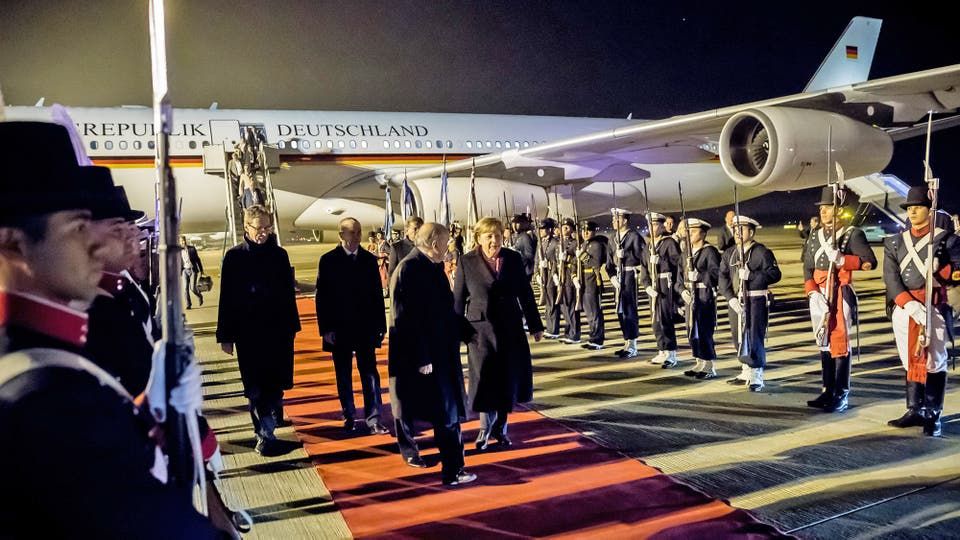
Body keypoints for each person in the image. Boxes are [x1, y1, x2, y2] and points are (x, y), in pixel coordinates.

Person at [0, 121, 225, 537]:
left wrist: (147, 413)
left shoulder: (42, 366)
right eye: (77, 228)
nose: (98, 247)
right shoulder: (49, 402)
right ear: (13, 242)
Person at [388, 222, 477, 485]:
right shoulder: (409, 269)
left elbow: (445, 310)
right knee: (445, 413)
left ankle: (455, 467)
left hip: (443, 353)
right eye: (446, 242)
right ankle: (453, 470)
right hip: (429, 358)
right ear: (435, 243)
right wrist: (422, 356)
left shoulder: (431, 266)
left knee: (448, 413)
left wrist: (469, 332)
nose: (449, 247)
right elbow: (405, 319)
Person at [454, 217, 544, 452]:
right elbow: (458, 300)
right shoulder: (466, 261)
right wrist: (457, 332)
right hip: (479, 331)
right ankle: (485, 428)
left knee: (506, 378)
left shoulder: (513, 258)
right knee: (485, 378)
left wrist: (535, 325)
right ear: (478, 238)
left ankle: (500, 429)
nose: (494, 240)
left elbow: (525, 293)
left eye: (497, 235)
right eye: (489, 236)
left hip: (509, 328)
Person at [217, 205, 301, 455]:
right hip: (249, 334)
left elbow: (288, 296)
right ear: (246, 227)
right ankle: (264, 436)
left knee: (275, 384)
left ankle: (270, 424)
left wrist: (292, 327)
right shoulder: (234, 257)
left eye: (267, 227)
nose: (263, 232)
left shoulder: (279, 255)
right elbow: (226, 298)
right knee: (255, 387)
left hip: (277, 332)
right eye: (258, 228)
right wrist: (225, 336)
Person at [884, 186, 960, 437]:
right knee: (909, 359)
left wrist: (941, 269)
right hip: (906, 308)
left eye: (918, 207)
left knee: (935, 361)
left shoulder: (947, 240)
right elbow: (891, 278)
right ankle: (914, 409)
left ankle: (933, 413)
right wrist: (908, 304)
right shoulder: (895, 242)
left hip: (933, 307)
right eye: (910, 208)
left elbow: (958, 272)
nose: (913, 212)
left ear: (930, 210)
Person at [802, 187, 877, 413]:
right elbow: (807, 266)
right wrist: (812, 291)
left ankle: (841, 393)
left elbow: (869, 262)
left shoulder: (852, 234)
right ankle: (827, 390)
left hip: (840, 292)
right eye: (822, 209)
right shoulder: (814, 235)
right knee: (823, 340)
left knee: (840, 342)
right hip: (819, 292)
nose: (823, 212)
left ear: (840, 210)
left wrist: (843, 260)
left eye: (828, 208)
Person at [315, 217, 390, 434]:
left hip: (365, 327)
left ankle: (373, 418)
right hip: (339, 328)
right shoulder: (328, 260)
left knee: (370, 374)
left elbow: (376, 296)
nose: (356, 236)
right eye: (351, 232)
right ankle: (349, 414)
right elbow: (322, 298)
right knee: (343, 374)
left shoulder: (368, 260)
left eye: (358, 232)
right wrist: (326, 329)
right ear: (341, 235)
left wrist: (381, 326)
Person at [718, 215, 782, 391]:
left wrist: (752, 276)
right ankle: (745, 370)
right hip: (736, 301)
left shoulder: (761, 252)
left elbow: (775, 274)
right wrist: (730, 297)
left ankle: (756, 373)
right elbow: (722, 277)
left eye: (742, 229)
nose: (737, 233)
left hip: (755, 301)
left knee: (754, 336)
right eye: (735, 230)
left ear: (751, 232)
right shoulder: (729, 253)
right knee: (738, 335)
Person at [677, 218, 721, 379]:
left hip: (704, 296)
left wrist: (700, 276)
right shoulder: (686, 253)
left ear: (702, 234)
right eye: (688, 231)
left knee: (704, 330)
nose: (689, 234)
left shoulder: (710, 252)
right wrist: (682, 291)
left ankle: (709, 365)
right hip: (690, 296)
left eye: (693, 231)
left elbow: (717, 274)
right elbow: (678, 277)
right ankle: (699, 361)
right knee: (691, 330)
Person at [642, 212, 682, 367]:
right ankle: (661, 349)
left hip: (665, 283)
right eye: (649, 225)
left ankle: (671, 352)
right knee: (655, 321)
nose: (651, 228)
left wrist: (662, 261)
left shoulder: (669, 242)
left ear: (661, 226)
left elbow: (678, 264)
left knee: (665, 319)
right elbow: (644, 268)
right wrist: (646, 285)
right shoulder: (648, 245)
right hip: (653, 285)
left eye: (654, 225)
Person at [606, 208, 647, 358]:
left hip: (629, 275)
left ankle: (633, 344)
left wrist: (627, 255)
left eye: (616, 218)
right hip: (617, 277)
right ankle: (626, 341)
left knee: (630, 310)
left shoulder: (634, 237)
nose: (613, 221)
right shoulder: (612, 238)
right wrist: (611, 277)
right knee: (620, 311)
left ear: (624, 220)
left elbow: (643, 258)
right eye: (613, 218)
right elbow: (609, 262)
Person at [577, 221, 609, 350]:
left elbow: (595, 263)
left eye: (588, 230)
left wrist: (582, 255)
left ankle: (597, 340)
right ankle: (592, 337)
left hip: (592, 280)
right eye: (583, 230)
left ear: (594, 231)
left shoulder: (596, 245)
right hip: (584, 280)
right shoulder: (584, 244)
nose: (585, 233)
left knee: (594, 312)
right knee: (589, 312)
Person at [536, 218, 561, 338]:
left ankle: (553, 330)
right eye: (540, 229)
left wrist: (554, 272)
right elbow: (536, 259)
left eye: (543, 229)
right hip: (543, 275)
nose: (541, 231)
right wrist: (536, 274)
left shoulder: (555, 243)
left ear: (549, 230)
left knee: (552, 302)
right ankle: (549, 327)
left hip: (551, 274)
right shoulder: (541, 242)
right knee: (547, 302)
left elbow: (557, 261)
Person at [558, 217, 582, 345]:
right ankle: (568, 332)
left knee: (571, 306)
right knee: (564, 306)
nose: (565, 229)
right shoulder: (559, 242)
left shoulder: (575, 243)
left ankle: (575, 334)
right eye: (563, 227)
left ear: (572, 229)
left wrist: (567, 258)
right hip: (560, 277)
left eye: (567, 227)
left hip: (569, 276)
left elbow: (577, 261)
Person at [510, 213, 538, 280]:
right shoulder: (514, 236)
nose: (514, 225)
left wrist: (517, 254)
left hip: (525, 271)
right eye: (513, 223)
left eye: (517, 223)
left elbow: (530, 255)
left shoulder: (525, 237)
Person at [180, 234, 204, 309]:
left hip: (193, 270)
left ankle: (199, 296)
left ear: (186, 241)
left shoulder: (192, 249)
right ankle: (188, 304)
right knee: (185, 288)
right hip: (184, 271)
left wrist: (201, 270)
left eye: (184, 240)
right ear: (179, 242)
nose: (183, 242)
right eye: (181, 241)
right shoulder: (179, 251)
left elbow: (198, 259)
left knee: (193, 288)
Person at [375, 230, 390, 297]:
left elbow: (390, 252)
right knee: (382, 276)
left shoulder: (384, 243)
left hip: (385, 262)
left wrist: (383, 254)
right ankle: (384, 291)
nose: (378, 236)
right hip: (380, 262)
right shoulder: (379, 243)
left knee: (385, 276)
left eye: (379, 234)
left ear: (382, 235)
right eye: (377, 235)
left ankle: (387, 292)